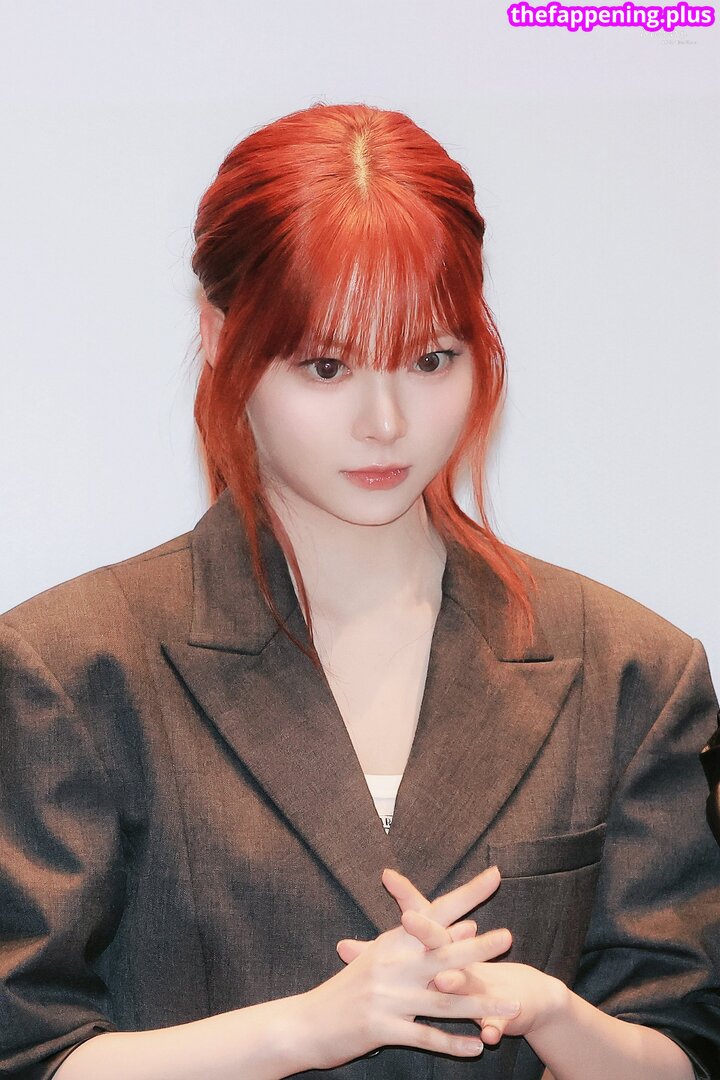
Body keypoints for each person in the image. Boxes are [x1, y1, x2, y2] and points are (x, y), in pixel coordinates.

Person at [0, 101, 718, 1080]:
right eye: (327, 366)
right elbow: (26, 1049)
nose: (385, 421)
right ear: (220, 337)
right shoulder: (71, 670)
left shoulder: (634, 671)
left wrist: (552, 1012)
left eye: (430, 360)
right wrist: (306, 1029)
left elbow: (686, 1040)